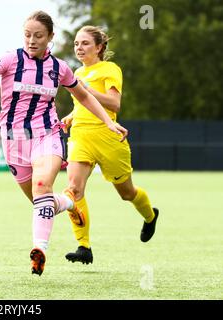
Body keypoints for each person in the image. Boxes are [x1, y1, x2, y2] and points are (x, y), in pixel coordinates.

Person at [0, 12, 128, 276]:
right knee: (42, 204)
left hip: (47, 134)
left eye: (38, 35)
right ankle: (70, 203)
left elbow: (84, 96)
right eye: (27, 35)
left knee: (42, 186)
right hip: (14, 140)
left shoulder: (60, 68)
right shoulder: (10, 59)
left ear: (50, 37)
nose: (31, 40)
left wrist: (108, 122)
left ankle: (39, 251)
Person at [61, 26, 160, 265]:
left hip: (108, 136)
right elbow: (82, 103)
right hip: (81, 136)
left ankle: (150, 215)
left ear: (99, 47)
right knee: (73, 190)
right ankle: (83, 246)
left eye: (85, 43)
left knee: (127, 193)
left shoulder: (110, 69)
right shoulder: (76, 71)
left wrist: (85, 88)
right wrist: (71, 116)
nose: (79, 48)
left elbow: (114, 104)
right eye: (76, 44)